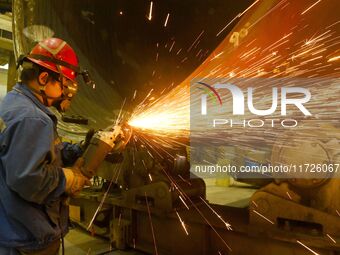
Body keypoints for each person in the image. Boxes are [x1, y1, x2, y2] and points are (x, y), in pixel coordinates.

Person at [0, 38, 90, 255]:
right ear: (43, 78)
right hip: (28, 236)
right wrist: (67, 178)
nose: (66, 93)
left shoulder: (12, 103)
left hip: (10, 228)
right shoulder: (33, 117)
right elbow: (28, 178)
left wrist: (80, 148)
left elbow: (41, 152)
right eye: (63, 85)